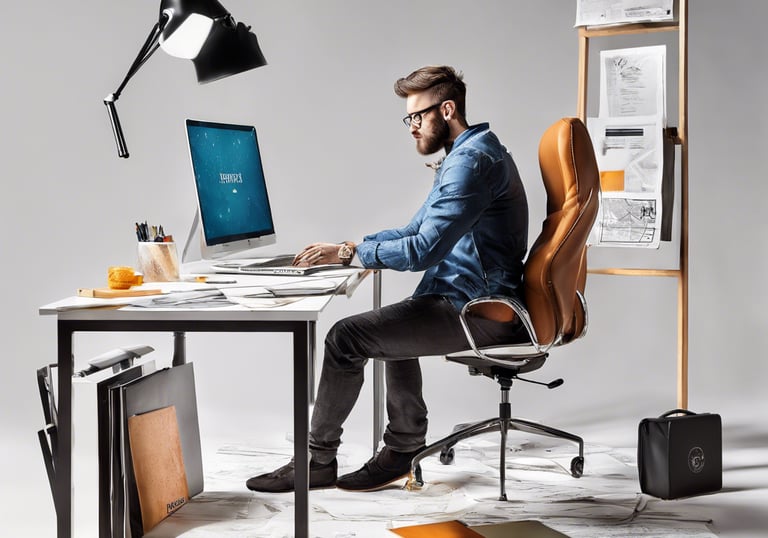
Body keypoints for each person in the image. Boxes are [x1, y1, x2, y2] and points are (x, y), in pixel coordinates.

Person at [246, 65, 529, 493]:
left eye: (417, 116)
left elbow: (423, 250)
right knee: (390, 326)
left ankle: (316, 461)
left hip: (479, 308)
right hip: (463, 296)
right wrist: (350, 248)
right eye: (409, 118)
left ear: (447, 109)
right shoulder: (467, 154)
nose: (412, 127)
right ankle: (403, 449)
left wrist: (349, 256)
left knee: (346, 338)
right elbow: (415, 230)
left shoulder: (470, 163)